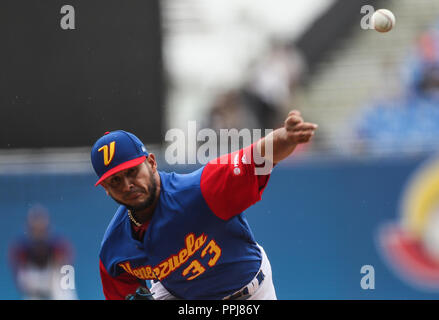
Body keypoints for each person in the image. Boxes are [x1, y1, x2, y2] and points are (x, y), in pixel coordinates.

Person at [92, 110, 318, 300]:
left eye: (132, 171)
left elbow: (258, 157)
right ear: (106, 189)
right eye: (115, 181)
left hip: (250, 292)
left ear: (151, 163)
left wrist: (285, 138)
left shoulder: (201, 190)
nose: (128, 185)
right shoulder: (114, 250)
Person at [8, 205, 77, 300]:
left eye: (41, 228)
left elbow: (68, 274)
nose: (39, 232)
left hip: (55, 282)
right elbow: (21, 282)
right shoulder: (21, 250)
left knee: (65, 293)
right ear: (29, 229)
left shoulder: (59, 246)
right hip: (34, 287)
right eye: (35, 228)